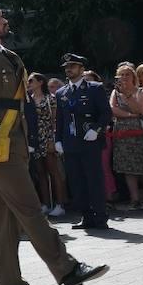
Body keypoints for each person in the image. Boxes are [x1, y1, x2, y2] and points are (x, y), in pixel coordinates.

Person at [0, 6, 108, 285]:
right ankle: (67, 268)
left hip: (14, 139)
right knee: (29, 207)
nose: (4, 21)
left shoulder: (8, 55)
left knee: (7, 215)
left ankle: (9, 282)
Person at [55, 53, 111, 231]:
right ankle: (86, 216)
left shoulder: (94, 88)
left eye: (72, 66)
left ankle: (100, 216)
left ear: (81, 69)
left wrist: (96, 129)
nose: (68, 70)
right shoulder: (61, 92)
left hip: (90, 141)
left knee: (94, 180)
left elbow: (105, 113)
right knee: (77, 182)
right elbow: (60, 119)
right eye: (66, 67)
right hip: (71, 142)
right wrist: (58, 140)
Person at [110, 63, 143, 210]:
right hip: (122, 132)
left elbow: (140, 110)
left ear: (133, 76)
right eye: (121, 74)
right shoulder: (115, 93)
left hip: (139, 132)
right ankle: (134, 199)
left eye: (127, 74)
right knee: (128, 167)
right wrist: (129, 114)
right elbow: (113, 110)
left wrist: (127, 96)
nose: (124, 77)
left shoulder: (142, 92)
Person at [27, 73, 66, 217]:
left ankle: (60, 204)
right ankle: (45, 203)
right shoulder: (28, 100)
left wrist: (54, 139)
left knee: (53, 171)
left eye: (31, 80)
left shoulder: (50, 99)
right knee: (40, 172)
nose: (29, 83)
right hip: (35, 139)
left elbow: (55, 120)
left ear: (40, 82)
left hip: (48, 136)